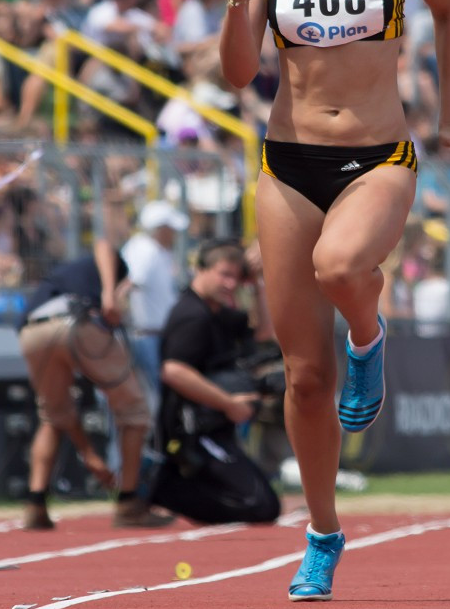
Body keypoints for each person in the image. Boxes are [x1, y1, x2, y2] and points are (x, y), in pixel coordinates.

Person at [220, 0, 450, 600]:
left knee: (341, 268)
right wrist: (234, 4)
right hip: (287, 161)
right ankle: (324, 535)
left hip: (378, 156)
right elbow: (237, 72)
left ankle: (369, 338)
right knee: (301, 376)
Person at [18, 238, 174, 530]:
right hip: (76, 320)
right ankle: (128, 503)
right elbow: (104, 243)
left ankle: (35, 504)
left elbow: (65, 417)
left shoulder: (66, 275)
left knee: (53, 416)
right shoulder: (113, 272)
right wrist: (111, 294)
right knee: (135, 410)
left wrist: (89, 454)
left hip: (32, 329)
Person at [150, 239, 281, 525]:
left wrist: (257, 282)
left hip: (214, 428)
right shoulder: (192, 315)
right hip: (194, 432)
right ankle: (161, 490)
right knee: (260, 506)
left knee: (265, 503)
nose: (231, 283)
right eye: (224, 274)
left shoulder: (215, 311)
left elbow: (264, 331)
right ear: (200, 270)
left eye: (236, 276)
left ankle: (168, 487)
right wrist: (228, 402)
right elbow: (173, 371)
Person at [121, 199, 190, 405]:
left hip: (154, 335)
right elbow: (130, 284)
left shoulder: (155, 250)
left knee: (157, 395)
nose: (175, 234)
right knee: (155, 397)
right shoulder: (145, 250)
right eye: (171, 228)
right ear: (160, 229)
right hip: (147, 336)